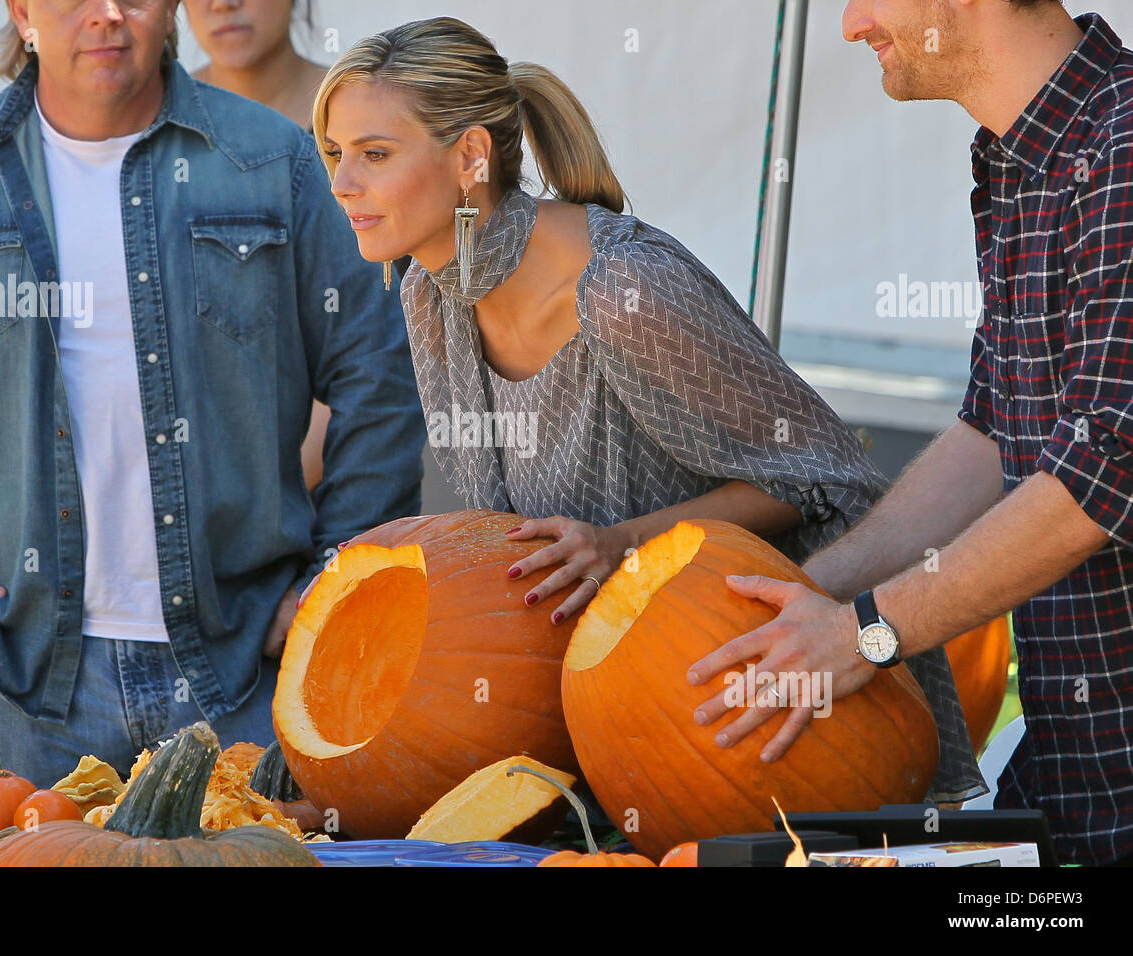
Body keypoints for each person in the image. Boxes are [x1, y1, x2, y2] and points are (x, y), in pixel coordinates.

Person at [312, 15, 984, 803]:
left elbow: (829, 487)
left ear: (469, 157)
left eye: (374, 155)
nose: (342, 184)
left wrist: (622, 542)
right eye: (333, 155)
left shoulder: (627, 292)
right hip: (613, 724)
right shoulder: (427, 293)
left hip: (786, 710)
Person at [0, 0, 424, 787]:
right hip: (27, 681)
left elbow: (381, 375)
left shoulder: (271, 161)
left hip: (244, 668)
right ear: (21, 10)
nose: (107, 16)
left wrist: (334, 580)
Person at [688, 1, 1133, 866]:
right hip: (1074, 786)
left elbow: (1105, 474)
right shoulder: (1017, 155)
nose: (851, 24)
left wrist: (865, 634)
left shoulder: (1124, 149)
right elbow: (991, 431)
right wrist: (811, 596)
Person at [183, 0, 333, 491]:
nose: (222, 4)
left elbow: (370, 357)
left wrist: (267, 502)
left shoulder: (359, 118)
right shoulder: (151, 128)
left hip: (311, 488)